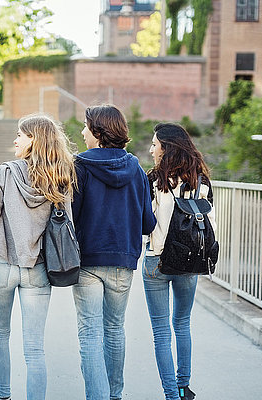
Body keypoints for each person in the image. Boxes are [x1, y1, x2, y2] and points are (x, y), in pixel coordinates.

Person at [0, 114, 77, 400]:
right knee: (35, 348)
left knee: (0, 333)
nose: (15, 140)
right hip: (39, 268)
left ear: (33, 139)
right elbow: (66, 224)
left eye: (20, 135)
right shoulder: (60, 176)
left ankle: (3, 395)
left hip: (1, 264)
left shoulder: (4, 173)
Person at [71, 105, 156, 400]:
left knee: (90, 333)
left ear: (97, 132)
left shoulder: (79, 166)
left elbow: (71, 216)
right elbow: (148, 222)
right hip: (123, 261)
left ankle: (96, 396)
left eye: (85, 127)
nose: (82, 132)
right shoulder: (135, 168)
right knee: (115, 329)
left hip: (87, 260)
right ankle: (114, 395)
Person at [144, 123, 215, 400]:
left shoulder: (154, 180)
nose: (151, 149)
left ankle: (171, 394)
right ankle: (183, 386)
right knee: (182, 323)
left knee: (161, 332)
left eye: (154, 144)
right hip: (189, 261)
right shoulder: (201, 181)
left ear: (166, 147)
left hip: (156, 262)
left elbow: (146, 222)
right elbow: (211, 223)